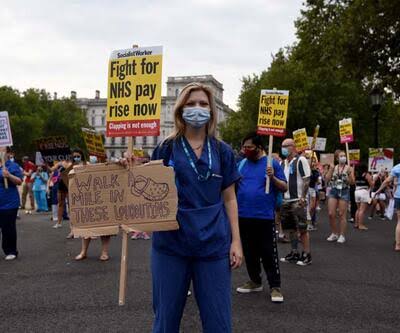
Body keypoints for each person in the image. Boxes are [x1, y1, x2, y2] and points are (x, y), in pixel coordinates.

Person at [136, 82, 242, 332]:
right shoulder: (166, 147)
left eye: (203, 104)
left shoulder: (222, 151)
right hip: (170, 245)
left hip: (213, 244)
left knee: (218, 320)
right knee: (165, 319)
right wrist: (130, 169)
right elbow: (146, 188)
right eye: (191, 103)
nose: (197, 108)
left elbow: (230, 198)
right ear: (180, 109)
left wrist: (236, 241)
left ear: (212, 110)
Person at [235, 132, 287, 303]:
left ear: (259, 147)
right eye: (244, 147)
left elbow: (284, 187)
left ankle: (275, 286)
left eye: (249, 147)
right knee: (249, 252)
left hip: (263, 216)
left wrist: (272, 178)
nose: (245, 150)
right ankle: (255, 281)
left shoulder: (272, 164)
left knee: (267, 252)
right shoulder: (242, 163)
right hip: (243, 214)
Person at [279, 138, 312, 266]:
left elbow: (307, 179)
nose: (283, 148)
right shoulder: (283, 163)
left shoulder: (300, 160)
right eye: (282, 146)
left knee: (302, 228)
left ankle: (306, 254)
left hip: (297, 199)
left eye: (286, 146)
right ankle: (294, 252)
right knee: (290, 228)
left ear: (293, 147)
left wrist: (303, 197)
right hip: (285, 200)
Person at [75, 155, 111, 261]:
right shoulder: (82, 167)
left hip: (103, 199)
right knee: (87, 226)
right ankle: (83, 251)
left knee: (105, 228)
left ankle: (104, 252)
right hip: (89, 200)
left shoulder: (107, 166)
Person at [325, 150, 355, 243]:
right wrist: (330, 169)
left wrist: (350, 174)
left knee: (342, 214)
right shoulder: (334, 167)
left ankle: (342, 235)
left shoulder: (349, 168)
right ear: (337, 158)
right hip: (333, 190)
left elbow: (352, 182)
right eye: (341, 156)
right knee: (331, 213)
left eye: (344, 156)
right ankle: (334, 233)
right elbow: (326, 179)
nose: (343, 157)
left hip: (344, 191)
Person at [0, 147, 23, 260]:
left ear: (8, 153)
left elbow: (19, 181)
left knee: (7, 228)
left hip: (9, 203)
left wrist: (8, 175)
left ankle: (11, 250)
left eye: (2, 151)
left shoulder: (12, 166)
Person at [373, 161, 400, 251]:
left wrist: (378, 190)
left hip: (398, 196)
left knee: (399, 222)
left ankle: (397, 244)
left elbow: (387, 181)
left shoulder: (397, 167)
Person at [354, 165, 373, 230]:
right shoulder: (366, 174)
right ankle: (361, 225)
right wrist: (374, 180)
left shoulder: (356, 174)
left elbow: (355, 183)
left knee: (358, 209)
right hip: (364, 191)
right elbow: (371, 184)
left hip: (357, 191)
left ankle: (356, 223)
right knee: (362, 210)